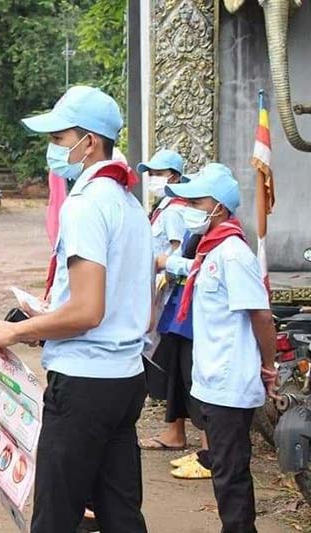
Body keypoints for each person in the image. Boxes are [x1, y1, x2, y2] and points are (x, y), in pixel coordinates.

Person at [0, 86, 152, 532]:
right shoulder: (130, 206)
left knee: (56, 515)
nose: (54, 150)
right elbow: (131, 307)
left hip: (84, 385)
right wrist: (48, 316)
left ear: (89, 142)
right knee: (120, 512)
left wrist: (17, 331)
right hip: (125, 379)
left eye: (59, 139)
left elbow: (86, 312)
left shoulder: (85, 206)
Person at [163, 163, 278, 532]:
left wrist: (269, 366)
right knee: (224, 471)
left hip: (230, 381)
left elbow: (261, 315)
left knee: (231, 475)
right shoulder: (210, 251)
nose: (189, 209)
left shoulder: (232, 253)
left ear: (219, 208)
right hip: (211, 379)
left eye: (196, 202)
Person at [137, 151, 211, 478]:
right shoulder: (167, 207)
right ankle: (177, 433)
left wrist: (167, 264)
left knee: (192, 373)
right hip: (175, 305)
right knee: (177, 371)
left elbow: (185, 256)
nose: (152, 177)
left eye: (158, 171)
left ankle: (209, 452)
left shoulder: (182, 214)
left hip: (186, 303)